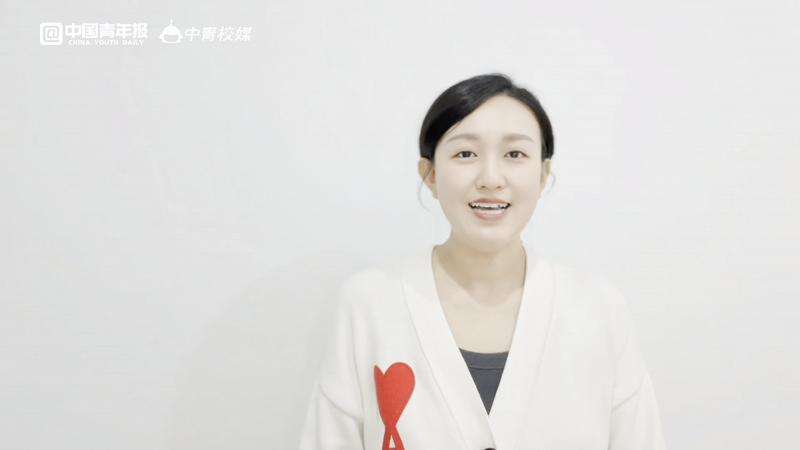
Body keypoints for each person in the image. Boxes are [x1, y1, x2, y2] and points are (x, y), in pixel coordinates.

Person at [298, 73, 667, 450]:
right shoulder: (370, 303)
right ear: (430, 174)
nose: (491, 178)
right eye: (466, 154)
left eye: (515, 154)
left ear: (543, 175)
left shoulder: (599, 310)